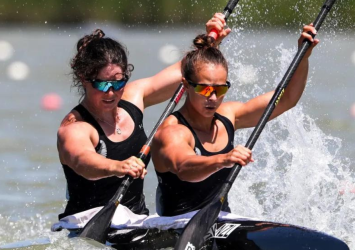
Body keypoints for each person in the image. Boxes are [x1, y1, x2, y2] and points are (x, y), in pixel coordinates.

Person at [150, 26, 350, 249]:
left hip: (222, 223)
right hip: (180, 226)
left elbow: (285, 100)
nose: (214, 98)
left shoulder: (228, 116)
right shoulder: (172, 132)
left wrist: (303, 56)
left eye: (221, 89)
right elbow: (184, 167)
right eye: (205, 90)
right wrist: (223, 159)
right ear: (186, 86)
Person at [56, 13, 231, 220]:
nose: (111, 92)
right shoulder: (75, 127)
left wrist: (211, 43)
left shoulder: (133, 97)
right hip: (87, 223)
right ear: (84, 79)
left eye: (118, 82)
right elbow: (82, 161)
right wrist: (117, 166)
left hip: (136, 223)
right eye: (102, 84)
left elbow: (187, 71)